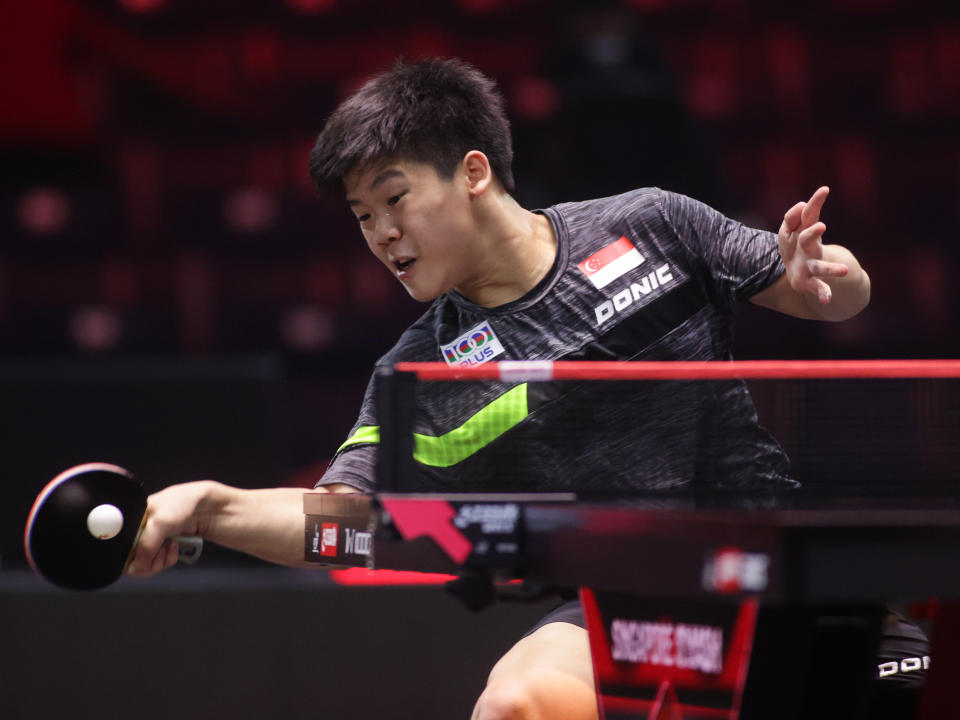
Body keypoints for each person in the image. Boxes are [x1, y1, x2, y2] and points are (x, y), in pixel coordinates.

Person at [129, 58, 891, 719]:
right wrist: (209, 506)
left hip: (772, 562)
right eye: (363, 216)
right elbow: (347, 525)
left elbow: (837, 292)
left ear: (473, 172)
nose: (381, 234)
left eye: (395, 199)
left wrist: (825, 273)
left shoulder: (651, 224)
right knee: (516, 704)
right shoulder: (422, 371)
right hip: (624, 605)